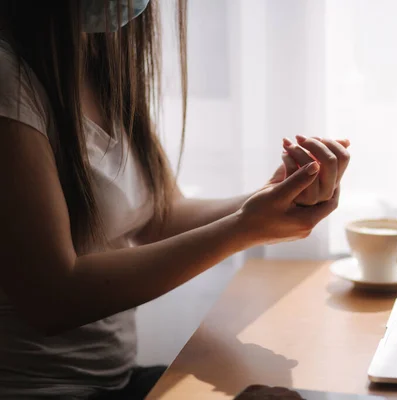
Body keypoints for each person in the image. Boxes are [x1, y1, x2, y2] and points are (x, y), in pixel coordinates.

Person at [0, 1, 350, 398]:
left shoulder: (96, 57)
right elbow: (51, 298)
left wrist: (270, 198)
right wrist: (244, 229)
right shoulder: (8, 80)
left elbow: (160, 217)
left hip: (115, 381)